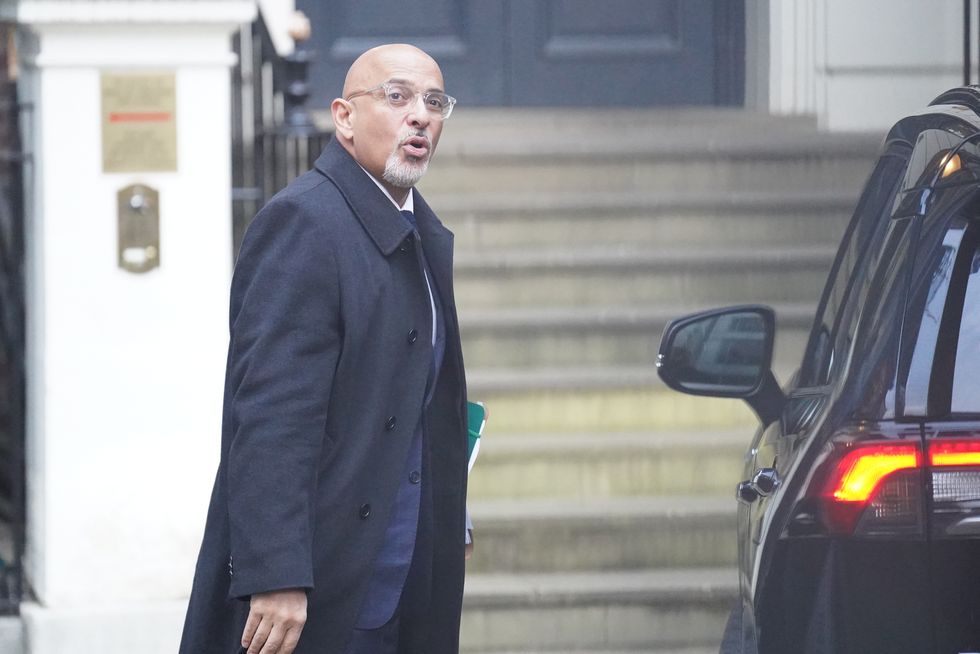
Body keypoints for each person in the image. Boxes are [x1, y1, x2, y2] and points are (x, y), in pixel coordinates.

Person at [179, 44, 469, 654]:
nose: (420, 115)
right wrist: (276, 574)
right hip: (324, 581)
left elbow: (416, 401)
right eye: (396, 97)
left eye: (434, 102)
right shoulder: (305, 224)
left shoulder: (421, 230)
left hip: (404, 570)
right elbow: (272, 417)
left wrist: (447, 508)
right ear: (343, 117)